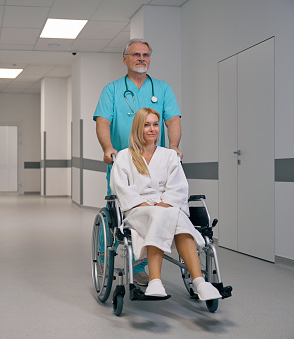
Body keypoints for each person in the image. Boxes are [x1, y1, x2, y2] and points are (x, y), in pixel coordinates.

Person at [93, 38, 182, 285]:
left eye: (146, 54)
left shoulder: (162, 89)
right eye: (136, 55)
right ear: (125, 59)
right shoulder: (112, 90)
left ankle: (141, 264)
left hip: (154, 164)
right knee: (117, 212)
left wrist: (173, 146)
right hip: (123, 163)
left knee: (153, 210)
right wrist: (108, 148)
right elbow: (103, 122)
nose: (141, 58)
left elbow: (173, 120)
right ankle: (103, 258)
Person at [110, 107, 221, 300]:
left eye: (155, 124)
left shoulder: (169, 155)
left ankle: (199, 282)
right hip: (138, 210)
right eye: (146, 125)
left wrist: (167, 204)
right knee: (165, 215)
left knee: (175, 218)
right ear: (137, 128)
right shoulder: (124, 156)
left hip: (166, 207)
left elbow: (178, 186)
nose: (152, 129)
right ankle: (156, 280)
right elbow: (121, 188)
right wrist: (142, 204)